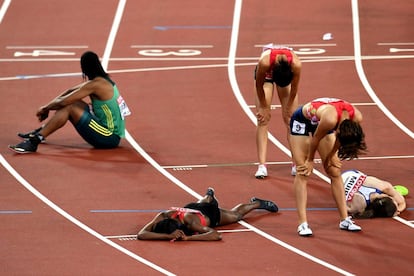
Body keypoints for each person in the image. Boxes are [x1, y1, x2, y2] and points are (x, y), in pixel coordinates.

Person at [9, 51, 130, 153]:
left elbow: (64, 102)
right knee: (73, 103)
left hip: (109, 137)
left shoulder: (96, 85)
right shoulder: (102, 81)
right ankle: (40, 133)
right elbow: (69, 91)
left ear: (85, 68)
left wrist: (45, 108)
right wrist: (47, 106)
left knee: (69, 107)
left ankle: (34, 141)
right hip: (106, 131)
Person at [290, 97, 367, 236]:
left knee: (334, 171)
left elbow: (339, 138)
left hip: (325, 124)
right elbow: (315, 139)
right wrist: (310, 160)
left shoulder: (356, 117)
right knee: (303, 171)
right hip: (302, 120)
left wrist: (331, 156)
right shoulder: (330, 120)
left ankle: (345, 220)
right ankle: (303, 224)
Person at [137, 188, 278, 241]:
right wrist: (167, 236)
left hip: (210, 214)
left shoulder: (191, 224)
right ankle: (208, 197)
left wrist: (188, 239)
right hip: (192, 207)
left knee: (236, 215)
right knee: (202, 203)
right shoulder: (163, 216)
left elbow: (216, 235)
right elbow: (141, 234)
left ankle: (257, 203)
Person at [254, 43, 301, 179]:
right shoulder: (264, 63)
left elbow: (294, 89)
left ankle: (295, 164)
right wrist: (263, 107)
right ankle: (262, 166)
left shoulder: (296, 65)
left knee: (291, 120)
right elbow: (258, 86)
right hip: (265, 78)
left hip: (284, 75)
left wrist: (289, 108)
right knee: (263, 119)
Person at [342, 169, 406, 218]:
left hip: (349, 174)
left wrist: (397, 209)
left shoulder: (384, 186)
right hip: (345, 180)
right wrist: (398, 210)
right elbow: (402, 202)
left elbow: (401, 202)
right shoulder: (358, 208)